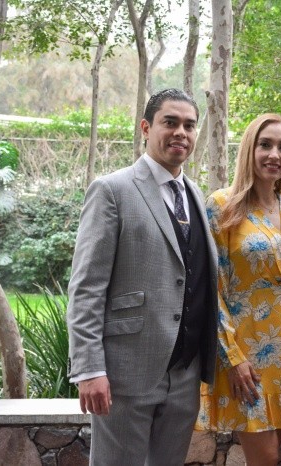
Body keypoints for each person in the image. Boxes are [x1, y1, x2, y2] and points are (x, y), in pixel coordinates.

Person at [66, 88, 218, 465]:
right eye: (170, 122)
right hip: (126, 372)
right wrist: (89, 369)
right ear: (146, 128)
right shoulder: (112, 190)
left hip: (185, 375)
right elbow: (86, 287)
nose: (181, 132)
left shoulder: (194, 194)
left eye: (189, 125)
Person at [196, 114, 281, 466]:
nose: (275, 154)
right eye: (266, 145)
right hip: (244, 348)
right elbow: (210, 288)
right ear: (249, 149)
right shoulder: (222, 205)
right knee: (266, 457)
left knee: (273, 452)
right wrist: (232, 358)